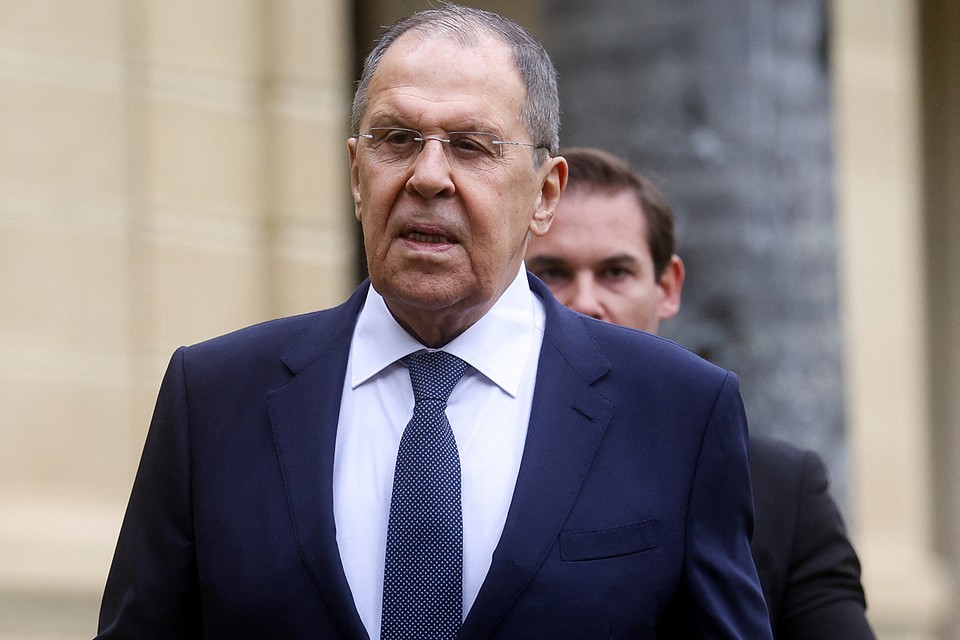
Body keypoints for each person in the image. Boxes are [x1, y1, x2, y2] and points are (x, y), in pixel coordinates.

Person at [96, 6, 773, 639]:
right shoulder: (214, 397)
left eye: (472, 146)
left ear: (545, 194)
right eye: (397, 139)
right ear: (357, 174)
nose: (428, 177)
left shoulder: (677, 410)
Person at [526, 146, 876, 639]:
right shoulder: (461, 457)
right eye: (552, 273)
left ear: (668, 287)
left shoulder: (782, 490)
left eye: (615, 273)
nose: (586, 302)